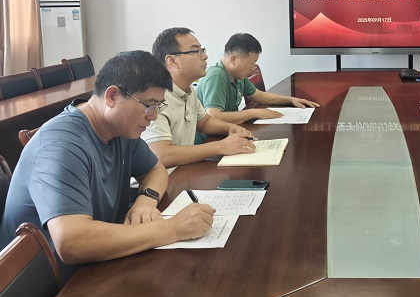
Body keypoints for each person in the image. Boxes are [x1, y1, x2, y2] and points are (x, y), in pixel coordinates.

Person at [0, 51, 216, 279]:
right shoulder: (60, 146)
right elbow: (72, 242)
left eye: (158, 107)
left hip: (98, 259)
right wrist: (172, 229)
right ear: (112, 96)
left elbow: (155, 169)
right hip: (48, 283)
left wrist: (145, 201)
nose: (153, 117)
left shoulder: (120, 129)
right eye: (149, 106)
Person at [142, 27, 255, 168]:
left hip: (184, 169)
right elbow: (161, 155)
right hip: (166, 176)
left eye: (202, 50)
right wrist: (221, 146)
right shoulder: (155, 98)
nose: (205, 56)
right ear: (172, 61)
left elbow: (204, 122)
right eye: (196, 51)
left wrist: (231, 128)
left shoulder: (188, 90)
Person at [196, 33, 319, 125]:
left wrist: (291, 100)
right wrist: (254, 113)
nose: (253, 68)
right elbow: (213, 116)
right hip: (206, 142)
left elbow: (260, 96)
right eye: (252, 63)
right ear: (234, 59)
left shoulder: (238, 76)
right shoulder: (216, 75)